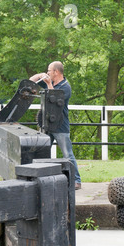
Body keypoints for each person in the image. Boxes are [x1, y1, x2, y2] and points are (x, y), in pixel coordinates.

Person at [30, 61, 82, 190]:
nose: (48, 73)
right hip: (48, 125)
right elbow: (30, 81)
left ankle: (76, 180)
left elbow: (54, 100)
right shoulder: (51, 82)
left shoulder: (65, 87)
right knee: (42, 153)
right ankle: (42, 179)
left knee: (67, 154)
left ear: (56, 72)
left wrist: (48, 84)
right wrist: (39, 75)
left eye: (49, 70)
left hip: (60, 126)